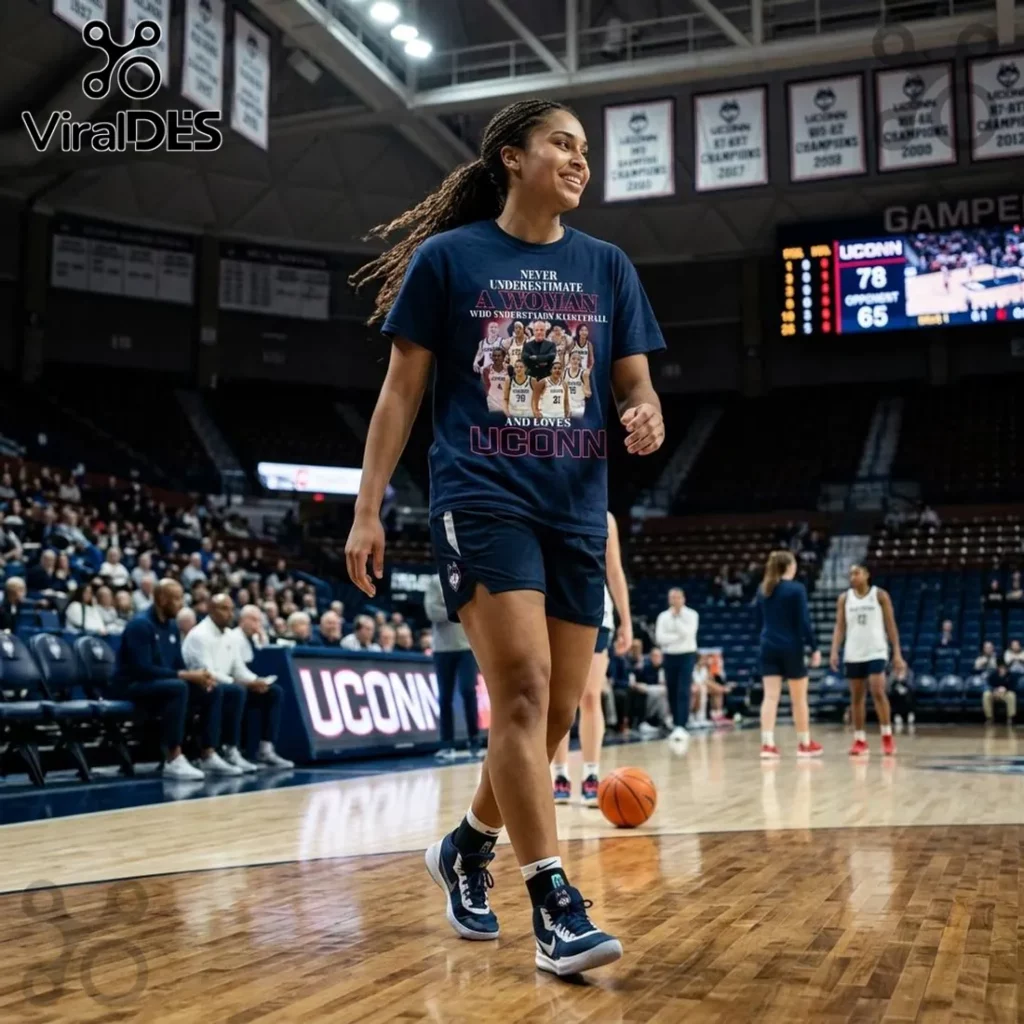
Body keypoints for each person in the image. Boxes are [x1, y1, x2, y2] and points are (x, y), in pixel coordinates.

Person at [345, 98, 665, 976]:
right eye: (562, 144)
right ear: (511, 158)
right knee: (521, 695)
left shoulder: (607, 266)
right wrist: (369, 507)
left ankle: (465, 845)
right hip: (482, 496)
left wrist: (644, 413)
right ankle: (554, 904)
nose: (580, 160)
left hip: (574, 504)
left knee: (555, 715)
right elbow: (400, 393)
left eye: (586, 150)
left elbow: (635, 380)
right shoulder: (451, 260)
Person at [551, 511, 632, 807]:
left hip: (598, 611)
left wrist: (627, 621)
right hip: (557, 606)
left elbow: (614, 571)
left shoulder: (606, 517)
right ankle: (559, 774)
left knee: (589, 696)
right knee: (560, 699)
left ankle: (591, 774)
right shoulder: (548, 500)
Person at [114, 579, 221, 781]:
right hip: (131, 685)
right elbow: (142, 668)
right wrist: (187, 676)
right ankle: (173, 758)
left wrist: (199, 676)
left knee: (211, 690)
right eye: (177, 598)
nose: (181, 604)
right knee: (179, 687)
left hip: (158, 684)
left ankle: (208, 753)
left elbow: (178, 664)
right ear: (162, 599)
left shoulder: (172, 627)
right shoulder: (140, 625)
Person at [182, 593, 293, 770]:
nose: (230, 614)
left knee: (273, 691)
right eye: (224, 609)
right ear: (211, 610)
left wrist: (256, 681)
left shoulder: (229, 636)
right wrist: (240, 683)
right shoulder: (199, 635)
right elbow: (207, 673)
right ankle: (228, 750)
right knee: (236, 691)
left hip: (228, 686)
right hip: (203, 688)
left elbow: (239, 668)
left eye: (232, 609)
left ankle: (265, 749)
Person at [829, 563, 907, 757]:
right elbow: (840, 626)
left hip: (876, 651)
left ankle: (887, 736)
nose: (852, 577)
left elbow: (891, 626)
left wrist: (897, 653)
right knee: (856, 697)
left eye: (856, 573)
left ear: (866, 575)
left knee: (878, 691)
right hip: (853, 652)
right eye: (850, 574)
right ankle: (859, 739)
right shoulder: (844, 598)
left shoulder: (879, 595)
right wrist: (834, 650)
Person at [754, 550, 822, 760]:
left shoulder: (763, 589)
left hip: (768, 646)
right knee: (799, 699)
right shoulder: (796, 589)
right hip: (791, 647)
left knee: (770, 697)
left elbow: (759, 621)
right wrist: (814, 647)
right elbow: (803, 621)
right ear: (789, 567)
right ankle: (804, 743)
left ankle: (767, 744)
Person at [424, 572, 481, 762]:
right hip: (442, 648)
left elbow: (476, 609)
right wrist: (459, 608)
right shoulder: (434, 580)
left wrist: (449, 608)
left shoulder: (469, 577)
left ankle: (475, 740)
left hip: (467, 646)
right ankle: (446, 744)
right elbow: (432, 612)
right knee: (444, 697)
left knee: (468, 691)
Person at [654, 588, 699, 747]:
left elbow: (688, 633)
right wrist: (678, 636)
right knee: (671, 690)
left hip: (686, 655)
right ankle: (675, 723)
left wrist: (677, 621)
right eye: (672, 597)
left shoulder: (692, 615)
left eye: (678, 597)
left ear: (683, 598)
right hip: (669, 656)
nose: (675, 600)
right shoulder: (663, 616)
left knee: (683, 690)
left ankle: (682, 725)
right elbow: (660, 638)